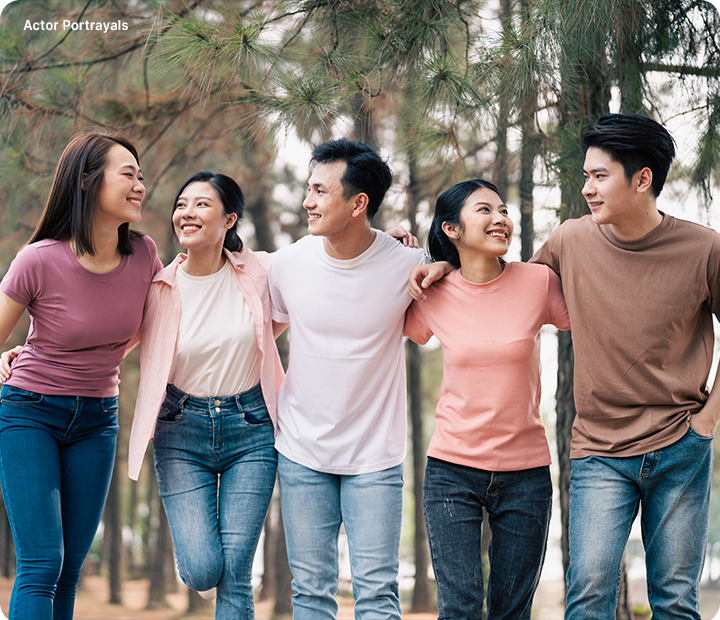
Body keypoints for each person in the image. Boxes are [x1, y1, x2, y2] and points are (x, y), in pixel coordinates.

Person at [410, 113, 720, 620]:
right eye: (586, 177)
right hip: (599, 448)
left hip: (680, 445)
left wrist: (707, 420)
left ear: (642, 179)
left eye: (599, 176)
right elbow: (501, 287)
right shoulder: (571, 240)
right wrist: (446, 262)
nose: (588, 188)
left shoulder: (705, 248)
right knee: (589, 591)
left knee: (675, 599)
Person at [0, 133, 161, 620]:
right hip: (31, 412)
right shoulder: (40, 259)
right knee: (42, 562)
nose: (140, 185)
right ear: (89, 182)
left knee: (69, 568)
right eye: (128, 174)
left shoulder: (145, 255)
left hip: (97, 419)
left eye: (141, 176)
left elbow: (148, 328)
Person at [267, 138, 427, 619]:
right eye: (307, 189)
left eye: (319, 191)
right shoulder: (288, 264)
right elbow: (255, 334)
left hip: (375, 458)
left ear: (359, 203)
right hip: (301, 452)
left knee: (377, 593)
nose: (308, 201)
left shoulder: (409, 265)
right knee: (311, 593)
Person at [404, 179, 569, 620]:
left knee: (511, 611)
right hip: (452, 471)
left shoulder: (537, 282)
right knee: (459, 608)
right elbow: (376, 314)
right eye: (484, 211)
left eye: (504, 211)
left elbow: (594, 311)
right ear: (452, 229)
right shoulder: (432, 292)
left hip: (526, 473)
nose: (500, 219)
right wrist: (421, 260)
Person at [127, 171, 283, 620]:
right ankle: (201, 571)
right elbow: (105, 332)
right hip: (181, 431)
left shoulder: (259, 271)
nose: (186, 212)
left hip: (251, 429)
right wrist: (31, 345)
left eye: (201, 204)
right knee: (201, 570)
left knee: (235, 572)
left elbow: (322, 256)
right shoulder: (157, 288)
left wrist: (380, 241)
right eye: (181, 204)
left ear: (229, 219)